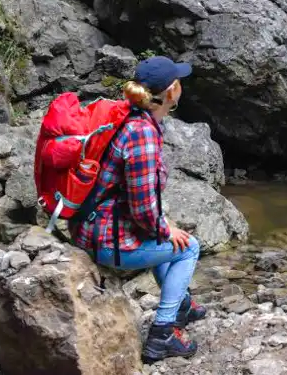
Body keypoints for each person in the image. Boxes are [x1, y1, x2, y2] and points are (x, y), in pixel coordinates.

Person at [69, 55, 205, 363]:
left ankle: (182, 303)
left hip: (91, 225)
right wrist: (165, 228)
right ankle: (163, 334)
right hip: (105, 241)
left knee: (169, 235)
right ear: (171, 92)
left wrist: (164, 225)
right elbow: (144, 210)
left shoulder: (130, 116)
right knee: (188, 247)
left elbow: (139, 203)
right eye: (179, 81)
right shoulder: (142, 133)